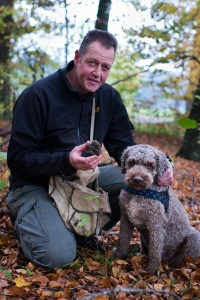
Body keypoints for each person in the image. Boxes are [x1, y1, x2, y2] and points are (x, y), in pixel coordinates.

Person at [7, 29, 173, 269]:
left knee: (132, 179)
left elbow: (125, 148)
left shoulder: (110, 98)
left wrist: (166, 164)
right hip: (35, 186)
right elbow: (18, 159)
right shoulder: (38, 95)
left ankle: (73, 230)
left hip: (79, 184)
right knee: (58, 256)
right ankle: (41, 225)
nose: (98, 73)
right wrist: (67, 160)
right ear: (77, 57)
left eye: (105, 67)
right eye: (92, 63)